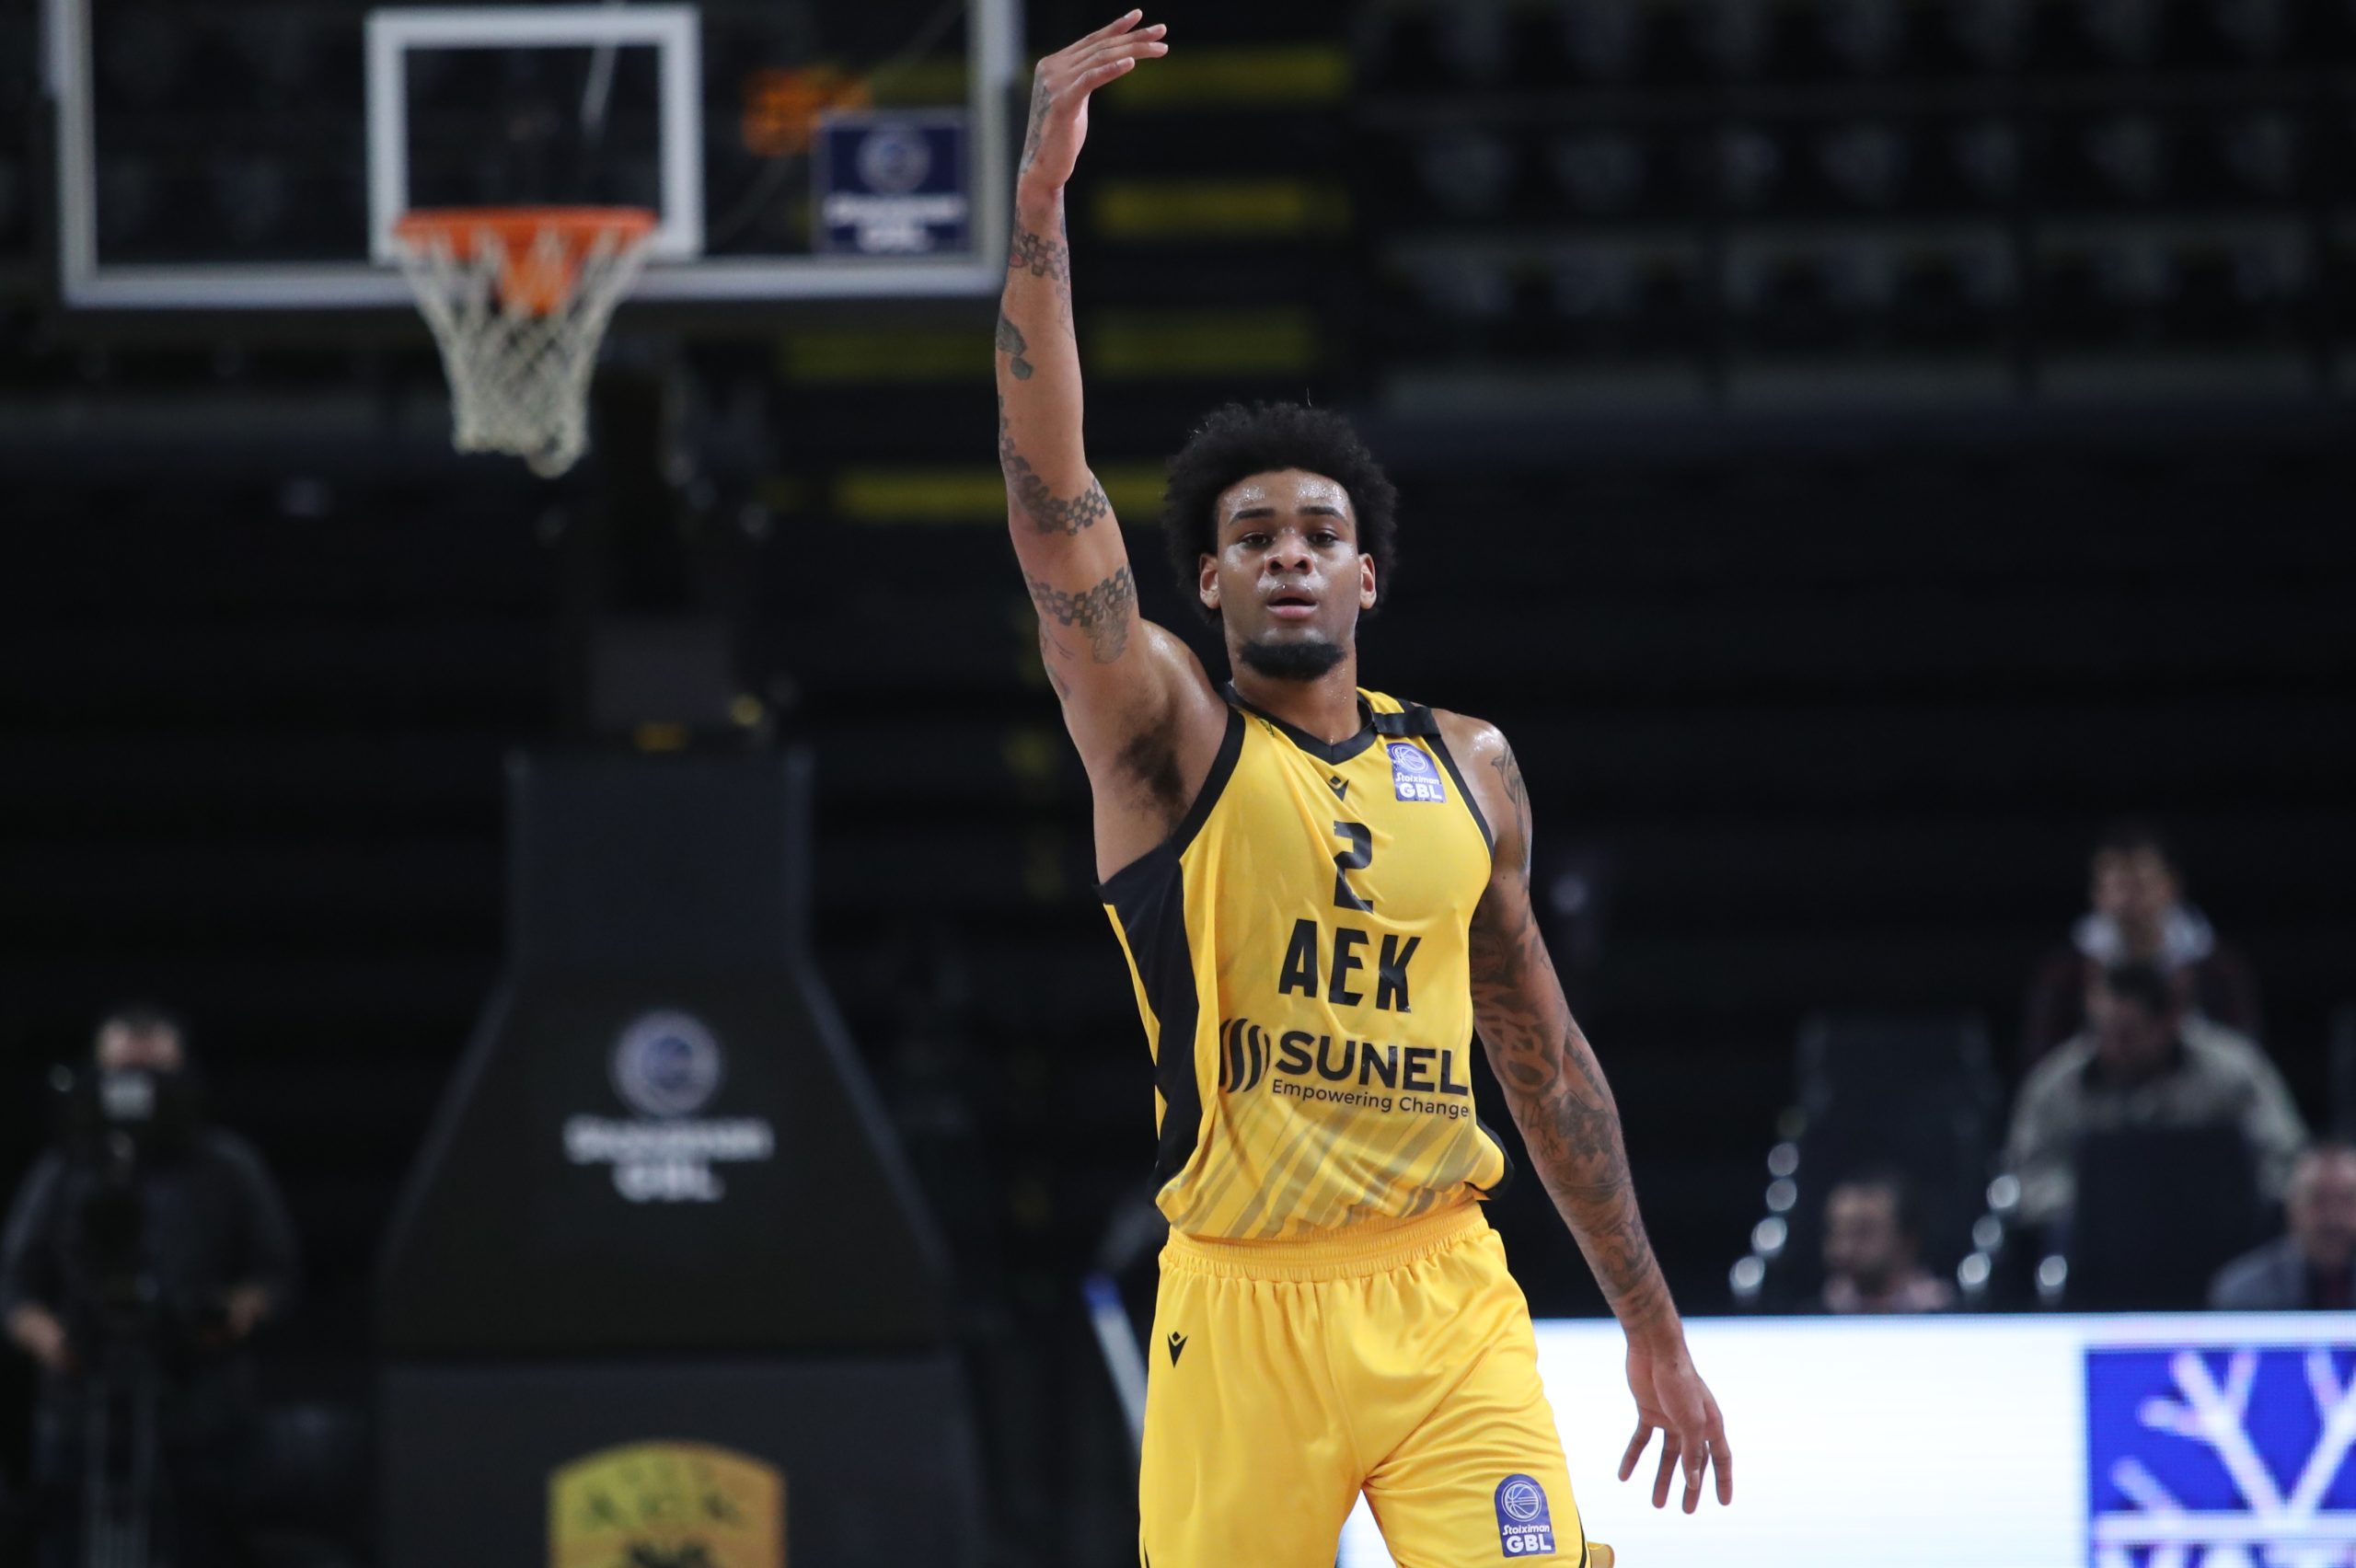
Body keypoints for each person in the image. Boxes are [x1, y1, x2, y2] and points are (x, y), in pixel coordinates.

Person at [997, 16, 1729, 1564]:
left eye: (1320, 533)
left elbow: (1542, 1054)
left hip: (1442, 1285)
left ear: (1367, 577)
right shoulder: (1169, 740)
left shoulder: (1469, 765)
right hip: (1240, 1296)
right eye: (1253, 535)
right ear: (1209, 580)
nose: (1289, 553)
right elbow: (1055, 504)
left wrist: (1652, 1324)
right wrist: (1041, 208)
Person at [0, 1006, 299, 1568]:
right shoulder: (64, 1169)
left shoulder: (229, 1166)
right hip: (80, 1417)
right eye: (123, 1073)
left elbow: (276, 1275)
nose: (139, 1090)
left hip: (202, 1415)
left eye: (155, 1075)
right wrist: (49, 1339)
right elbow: (14, 1285)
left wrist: (235, 1313)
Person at [2005, 962, 2305, 1235]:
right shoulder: (2057, 1084)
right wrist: (2100, 1203)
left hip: (2217, 1233)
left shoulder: (2233, 1073)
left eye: (2126, 1035)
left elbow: (2286, 1158)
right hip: (2099, 1240)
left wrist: (2225, 1196)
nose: (2109, 1047)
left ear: (2169, 1023)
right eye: (2099, 1031)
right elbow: (2027, 1173)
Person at [2022, 821, 2262, 1064]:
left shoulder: (2218, 968)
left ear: (2171, 886)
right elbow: (2042, 1062)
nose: (2129, 900)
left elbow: (2248, 1054)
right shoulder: (2065, 973)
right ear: (2097, 893)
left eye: (2140, 885)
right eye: (2118, 886)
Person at [2208, 1143, 2356, 1310]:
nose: (2333, 1217)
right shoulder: (2242, 1291)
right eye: (2318, 1200)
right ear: (2291, 1207)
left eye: (2347, 1199)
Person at [1818, 1173, 1955, 1314]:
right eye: (1836, 1232)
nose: (1843, 1249)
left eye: (1863, 1232)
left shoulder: (1949, 1315)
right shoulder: (1816, 1315)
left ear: (1908, 1238)